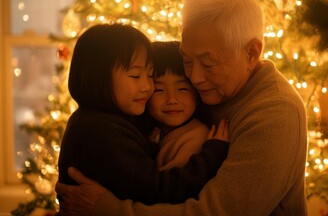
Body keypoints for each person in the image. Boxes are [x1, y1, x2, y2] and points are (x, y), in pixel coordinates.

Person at [56, 0, 308, 216]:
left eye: (208, 64)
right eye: (187, 61)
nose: (194, 78)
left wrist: (109, 210)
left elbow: (215, 212)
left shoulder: (275, 113)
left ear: (251, 53)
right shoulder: (206, 90)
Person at [57, 23, 229, 207]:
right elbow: (159, 191)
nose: (148, 87)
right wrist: (212, 155)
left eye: (149, 75)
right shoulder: (99, 131)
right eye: (135, 76)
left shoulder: (105, 120)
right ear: (98, 78)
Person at [146, 41, 212, 171]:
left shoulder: (197, 137)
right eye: (159, 90)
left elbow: (167, 186)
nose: (172, 100)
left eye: (182, 89)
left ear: (197, 94)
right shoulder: (152, 131)